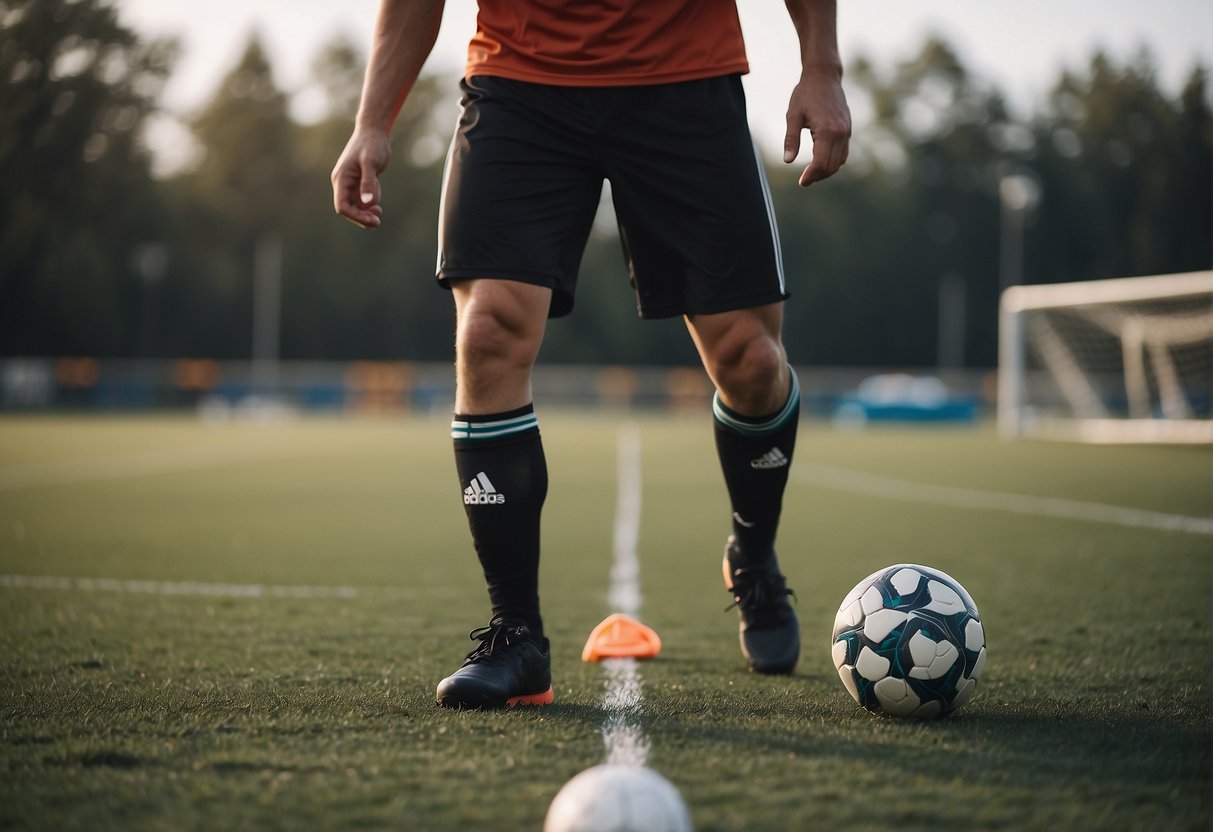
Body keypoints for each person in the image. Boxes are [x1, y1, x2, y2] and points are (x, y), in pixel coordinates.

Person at [332, 0, 851, 710]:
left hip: (682, 77)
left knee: (752, 362)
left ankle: (751, 555)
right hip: (521, 80)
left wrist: (819, 67)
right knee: (486, 332)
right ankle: (517, 636)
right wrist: (371, 121)